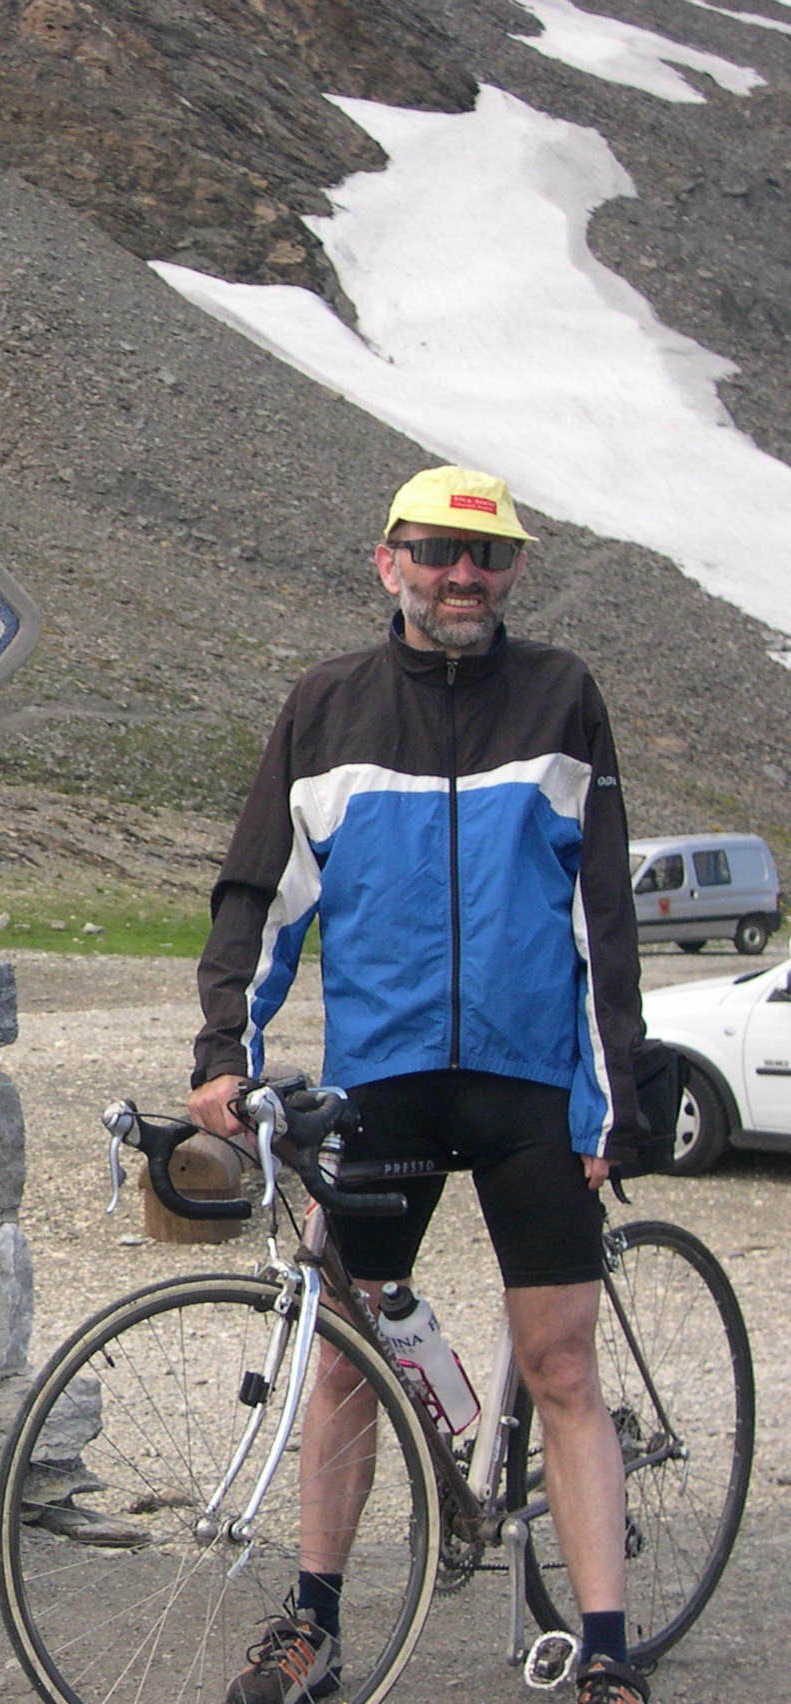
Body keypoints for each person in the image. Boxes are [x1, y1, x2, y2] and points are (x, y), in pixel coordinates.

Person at [185, 466, 649, 1704]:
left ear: (510, 574)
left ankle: (602, 1652)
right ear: (386, 559)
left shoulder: (561, 696)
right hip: (381, 1081)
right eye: (438, 551)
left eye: (486, 557)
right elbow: (261, 893)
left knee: (560, 1368)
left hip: (527, 1089)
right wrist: (224, 1053)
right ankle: (315, 1624)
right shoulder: (326, 705)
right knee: (343, 1360)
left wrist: (612, 1094)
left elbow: (602, 910)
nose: (462, 576)